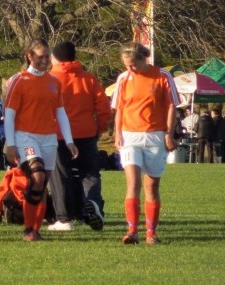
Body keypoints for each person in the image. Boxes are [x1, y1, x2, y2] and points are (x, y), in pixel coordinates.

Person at [4, 39, 78, 242]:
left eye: (47, 56)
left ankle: (35, 230)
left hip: (49, 139)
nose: (45, 60)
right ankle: (28, 229)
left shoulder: (54, 82)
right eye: (40, 56)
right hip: (25, 136)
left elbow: (60, 112)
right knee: (36, 176)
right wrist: (10, 144)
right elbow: (9, 114)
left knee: (42, 184)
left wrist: (69, 140)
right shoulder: (19, 80)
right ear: (30, 56)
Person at [111, 42, 179, 244]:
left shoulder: (162, 76)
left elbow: (171, 105)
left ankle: (151, 233)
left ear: (143, 59)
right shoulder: (123, 79)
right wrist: (117, 134)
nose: (130, 69)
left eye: (133, 64)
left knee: (151, 186)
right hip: (129, 136)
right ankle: (131, 232)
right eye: (126, 65)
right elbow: (120, 109)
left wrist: (168, 133)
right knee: (133, 183)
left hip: (154, 136)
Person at [45, 41, 111, 232]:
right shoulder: (88, 78)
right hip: (86, 132)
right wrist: (100, 127)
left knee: (61, 175)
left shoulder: (50, 79)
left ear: (55, 57)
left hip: (58, 134)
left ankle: (65, 217)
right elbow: (103, 106)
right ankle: (92, 202)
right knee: (89, 173)